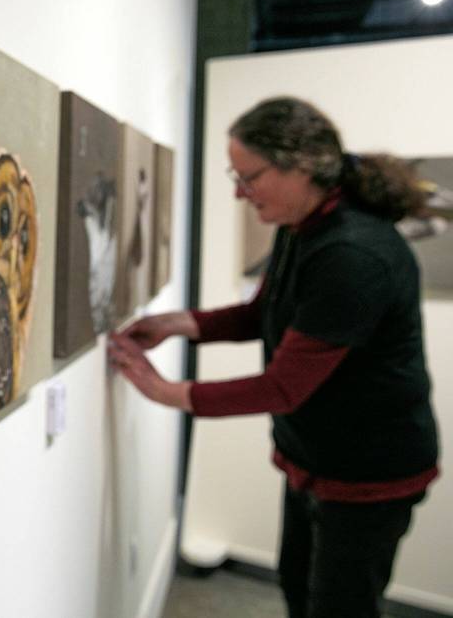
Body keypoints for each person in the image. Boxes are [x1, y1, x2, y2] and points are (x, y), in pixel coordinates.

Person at [108, 96, 440, 618]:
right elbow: (261, 314)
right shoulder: (299, 227)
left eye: (249, 176)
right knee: (297, 586)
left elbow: (282, 387)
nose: (239, 192)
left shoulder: (354, 254)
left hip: (369, 474)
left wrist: (165, 392)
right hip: (315, 459)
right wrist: (176, 324)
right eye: (233, 175)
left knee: (340, 608)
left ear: (301, 167)